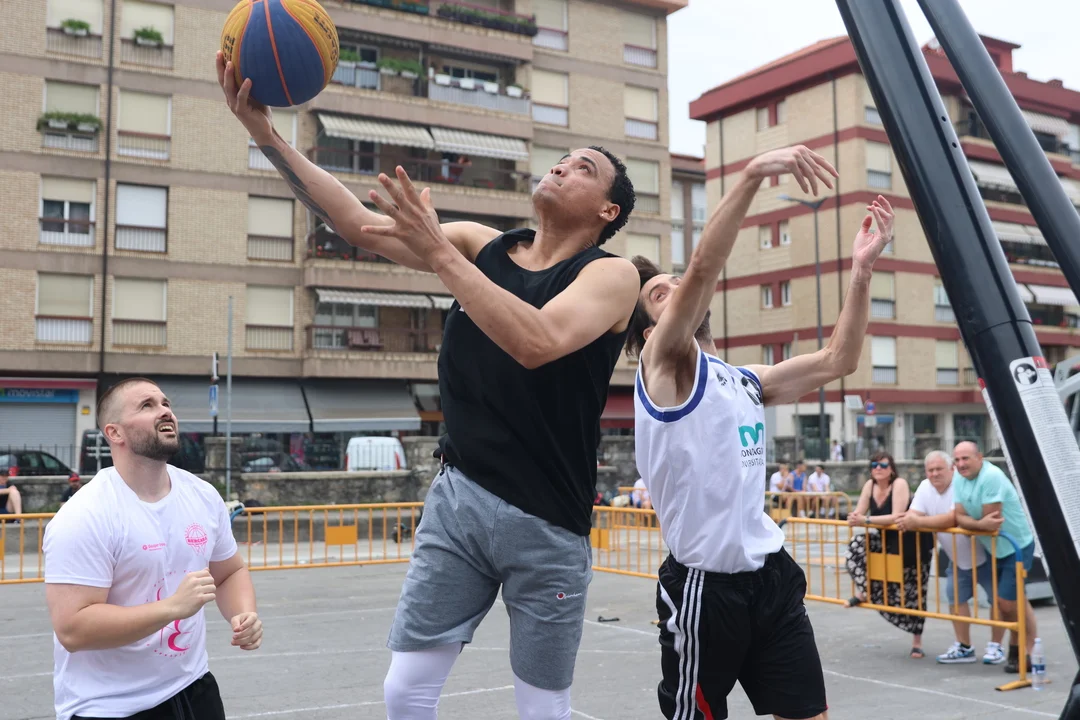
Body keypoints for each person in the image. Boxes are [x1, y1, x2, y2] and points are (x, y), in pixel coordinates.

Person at [214, 52, 641, 719]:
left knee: (542, 706)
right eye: (562, 159)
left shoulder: (612, 276)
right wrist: (265, 134)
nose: (562, 166)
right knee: (405, 688)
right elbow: (354, 223)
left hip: (548, 521)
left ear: (609, 210)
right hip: (459, 501)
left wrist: (439, 252)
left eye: (583, 167)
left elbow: (537, 342)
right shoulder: (482, 244)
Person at [629, 143, 894, 720]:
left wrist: (861, 272)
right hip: (705, 589)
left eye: (675, 283)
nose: (677, 290)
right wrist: (751, 173)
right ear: (647, 332)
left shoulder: (744, 379)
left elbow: (839, 359)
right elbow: (703, 269)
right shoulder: (662, 367)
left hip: (771, 577)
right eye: (659, 294)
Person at [42, 378, 263, 720]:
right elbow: (73, 628)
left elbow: (229, 571)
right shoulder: (85, 515)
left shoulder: (202, 495)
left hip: (194, 688)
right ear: (115, 433)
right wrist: (171, 607)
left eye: (165, 403)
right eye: (147, 405)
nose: (165, 411)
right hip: (111, 706)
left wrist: (243, 614)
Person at [895, 450, 1002, 665]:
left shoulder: (961, 484)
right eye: (930, 470)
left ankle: (996, 646)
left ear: (951, 469)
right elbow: (913, 514)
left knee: (999, 602)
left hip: (987, 554)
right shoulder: (925, 486)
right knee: (956, 601)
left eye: (939, 469)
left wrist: (919, 522)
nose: (934, 474)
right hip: (957, 558)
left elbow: (953, 519)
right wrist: (915, 520)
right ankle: (964, 646)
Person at [951, 441, 1039, 674]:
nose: (961, 464)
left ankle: (1022, 648)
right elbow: (960, 517)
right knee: (1015, 601)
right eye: (957, 459)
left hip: (1016, 546)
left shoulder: (991, 476)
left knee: (1007, 603)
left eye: (966, 458)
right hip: (994, 548)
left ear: (979, 457)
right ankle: (1027, 651)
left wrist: (973, 524)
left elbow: (992, 521)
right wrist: (978, 524)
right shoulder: (959, 477)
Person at [845, 451, 934, 658]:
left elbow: (897, 516)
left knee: (915, 592)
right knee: (856, 546)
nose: (878, 468)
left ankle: (917, 641)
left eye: (883, 465)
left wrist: (866, 521)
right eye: (874, 465)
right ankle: (866, 591)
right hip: (887, 539)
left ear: (891, 469)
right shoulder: (870, 485)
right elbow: (859, 512)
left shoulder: (899, 484)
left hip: (912, 542)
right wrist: (854, 517)